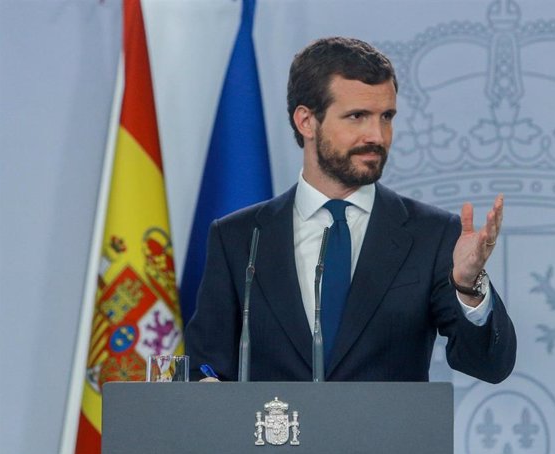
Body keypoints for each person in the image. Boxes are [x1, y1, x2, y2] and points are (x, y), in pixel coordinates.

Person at [184, 36, 516, 383]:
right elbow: (203, 367)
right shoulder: (239, 237)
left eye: (386, 116)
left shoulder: (431, 234)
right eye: (357, 116)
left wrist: (467, 287)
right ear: (306, 121)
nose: (377, 135)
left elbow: (489, 366)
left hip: (385, 438)